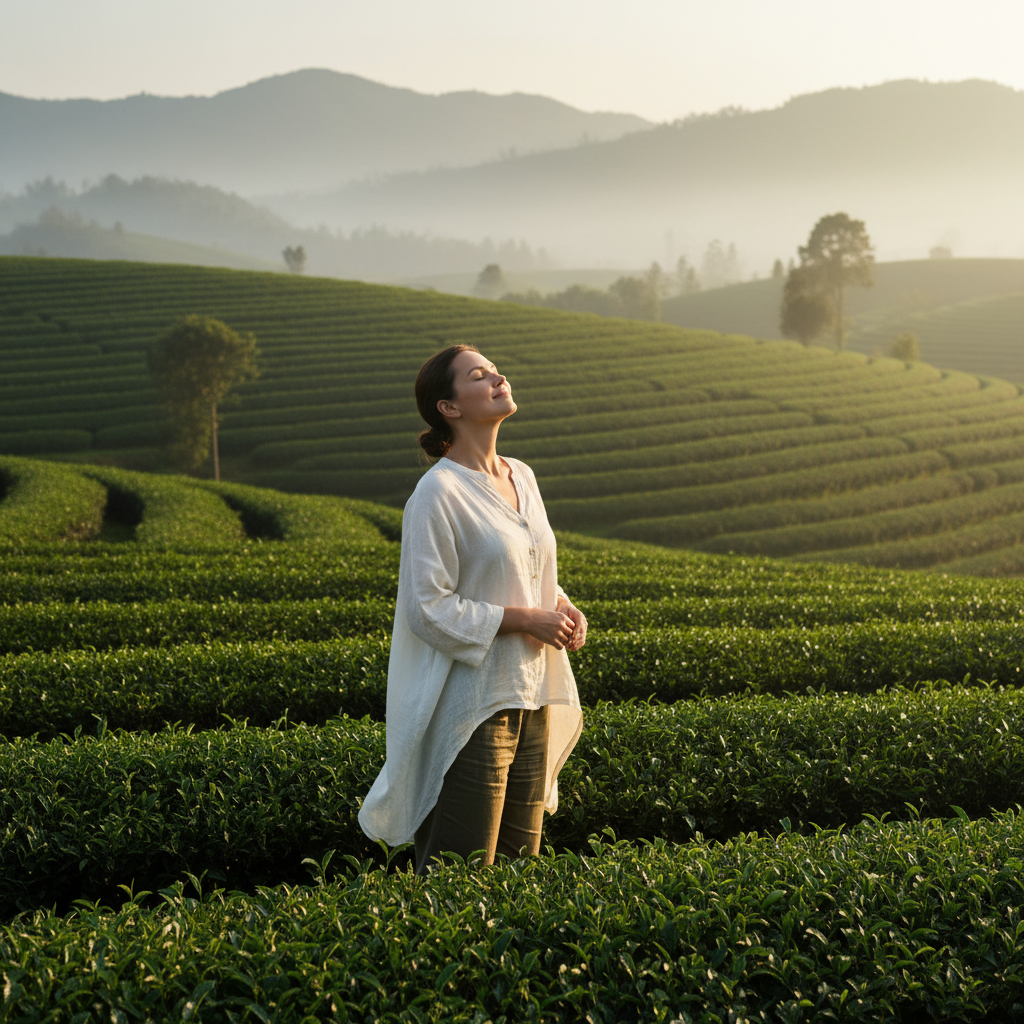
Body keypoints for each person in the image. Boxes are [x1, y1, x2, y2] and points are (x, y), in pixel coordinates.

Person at [358, 344, 586, 874]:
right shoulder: (437, 493)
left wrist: (562, 608)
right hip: (473, 708)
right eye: (478, 376)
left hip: (533, 698)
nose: (497, 378)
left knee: (518, 873)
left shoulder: (521, 476)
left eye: (495, 370)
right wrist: (525, 620)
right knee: (460, 876)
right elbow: (427, 607)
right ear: (450, 408)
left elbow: (528, 569)